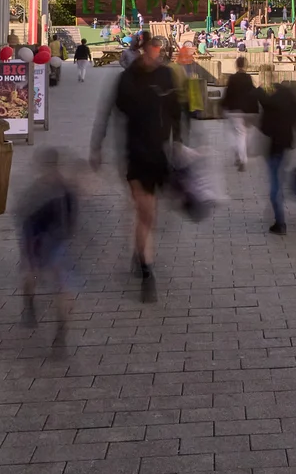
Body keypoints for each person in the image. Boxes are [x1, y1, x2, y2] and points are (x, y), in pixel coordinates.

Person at [97, 32, 176, 301]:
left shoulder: (166, 76)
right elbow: (107, 112)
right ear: (141, 49)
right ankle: (146, 269)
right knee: (146, 211)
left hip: (158, 154)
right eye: (152, 48)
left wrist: (185, 144)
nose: (155, 53)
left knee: (147, 213)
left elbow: (177, 110)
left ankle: (139, 251)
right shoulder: (127, 79)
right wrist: (97, 146)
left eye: (159, 49)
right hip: (135, 154)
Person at [16, 148, 81, 347]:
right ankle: (59, 329)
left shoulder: (35, 192)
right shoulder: (65, 189)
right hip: (54, 242)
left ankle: (31, 308)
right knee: (61, 284)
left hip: (42, 242)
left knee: (35, 275)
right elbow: (72, 220)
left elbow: (23, 218)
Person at [259, 80, 296, 235]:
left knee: (275, 185)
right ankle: (279, 213)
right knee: (279, 178)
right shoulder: (291, 104)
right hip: (285, 145)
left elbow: (264, 128)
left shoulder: (273, 105)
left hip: (274, 148)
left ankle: (280, 222)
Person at [221, 56, 259, 172]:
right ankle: (241, 154)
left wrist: (222, 106)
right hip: (248, 111)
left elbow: (228, 93)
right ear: (245, 65)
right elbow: (253, 93)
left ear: (236, 65)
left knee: (237, 134)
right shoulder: (248, 78)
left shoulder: (232, 78)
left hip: (234, 111)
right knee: (244, 134)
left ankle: (241, 157)